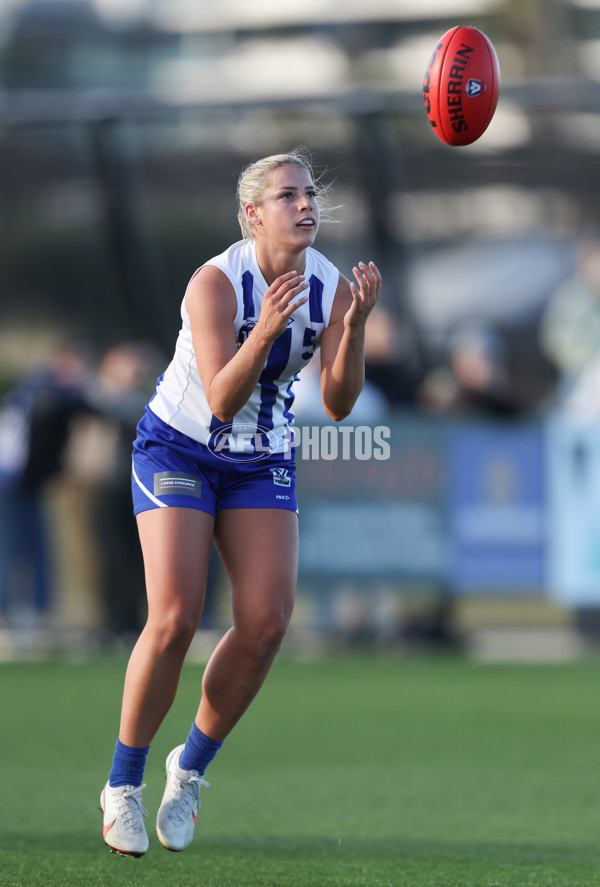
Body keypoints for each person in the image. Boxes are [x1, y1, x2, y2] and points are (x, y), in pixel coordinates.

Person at [100, 149, 381, 857]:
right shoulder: (215, 283)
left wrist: (354, 327)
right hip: (181, 446)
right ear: (252, 214)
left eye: (309, 192)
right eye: (287, 195)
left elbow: (341, 406)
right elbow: (221, 400)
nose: (305, 204)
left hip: (261, 458)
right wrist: (264, 329)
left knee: (265, 623)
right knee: (173, 618)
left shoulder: (329, 285)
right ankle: (122, 785)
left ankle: (188, 769)